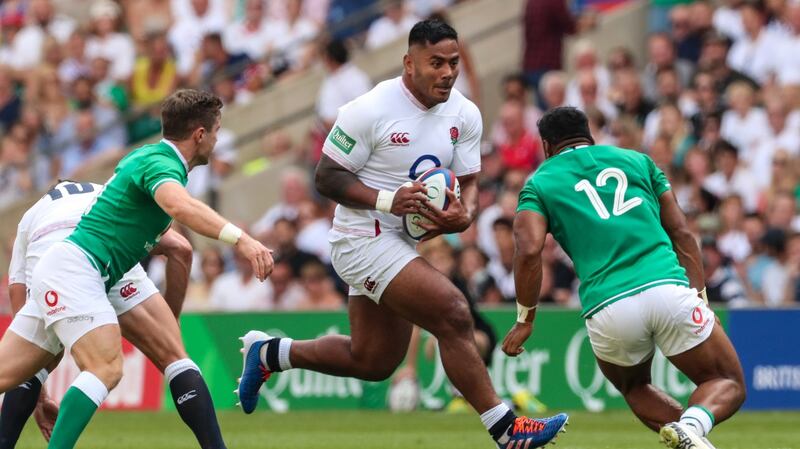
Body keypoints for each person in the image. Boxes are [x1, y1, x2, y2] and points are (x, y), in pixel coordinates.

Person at [237, 20, 568, 449]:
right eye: (436, 63)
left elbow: (468, 182)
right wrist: (385, 200)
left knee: (373, 360)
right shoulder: (369, 109)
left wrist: (463, 216)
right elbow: (326, 176)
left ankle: (270, 354)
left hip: (400, 243)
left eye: (452, 63)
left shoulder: (464, 113)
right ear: (409, 63)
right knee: (453, 311)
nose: (448, 72)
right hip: (359, 238)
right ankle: (506, 428)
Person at [0, 89, 272, 449]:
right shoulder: (163, 164)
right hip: (78, 270)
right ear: (200, 134)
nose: (218, 140)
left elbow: (170, 239)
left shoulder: (147, 160)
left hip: (63, 268)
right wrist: (242, 239)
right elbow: (181, 208)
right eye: (217, 131)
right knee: (106, 367)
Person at [505, 106, 746, 449]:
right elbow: (683, 234)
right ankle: (692, 425)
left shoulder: (539, 183)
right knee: (727, 381)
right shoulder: (638, 161)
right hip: (666, 287)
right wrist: (700, 299)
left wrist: (525, 318)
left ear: (546, 146)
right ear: (590, 135)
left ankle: (689, 435)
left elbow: (528, 250)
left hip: (607, 306)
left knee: (634, 387)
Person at [0, 180, 225, 449]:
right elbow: (181, 249)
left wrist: (38, 389)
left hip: (52, 265)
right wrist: (170, 321)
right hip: (107, 254)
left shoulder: (31, 215)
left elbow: (18, 290)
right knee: (170, 358)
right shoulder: (105, 193)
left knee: (31, 369)